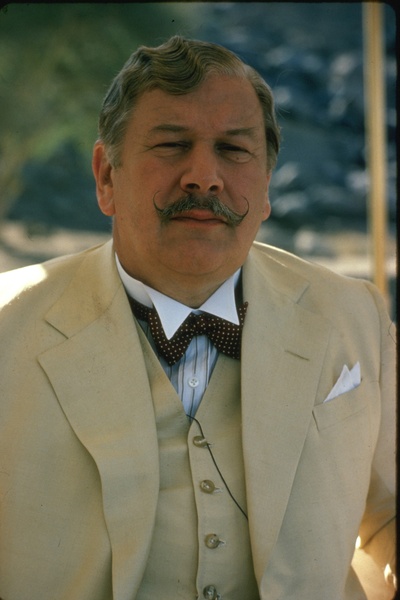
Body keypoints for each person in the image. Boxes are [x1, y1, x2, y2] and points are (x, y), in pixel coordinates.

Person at [0, 35, 396, 600]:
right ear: (106, 177)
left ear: (266, 185)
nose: (203, 177)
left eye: (233, 149)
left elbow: (389, 515)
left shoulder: (353, 314)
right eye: (172, 145)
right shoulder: (6, 330)